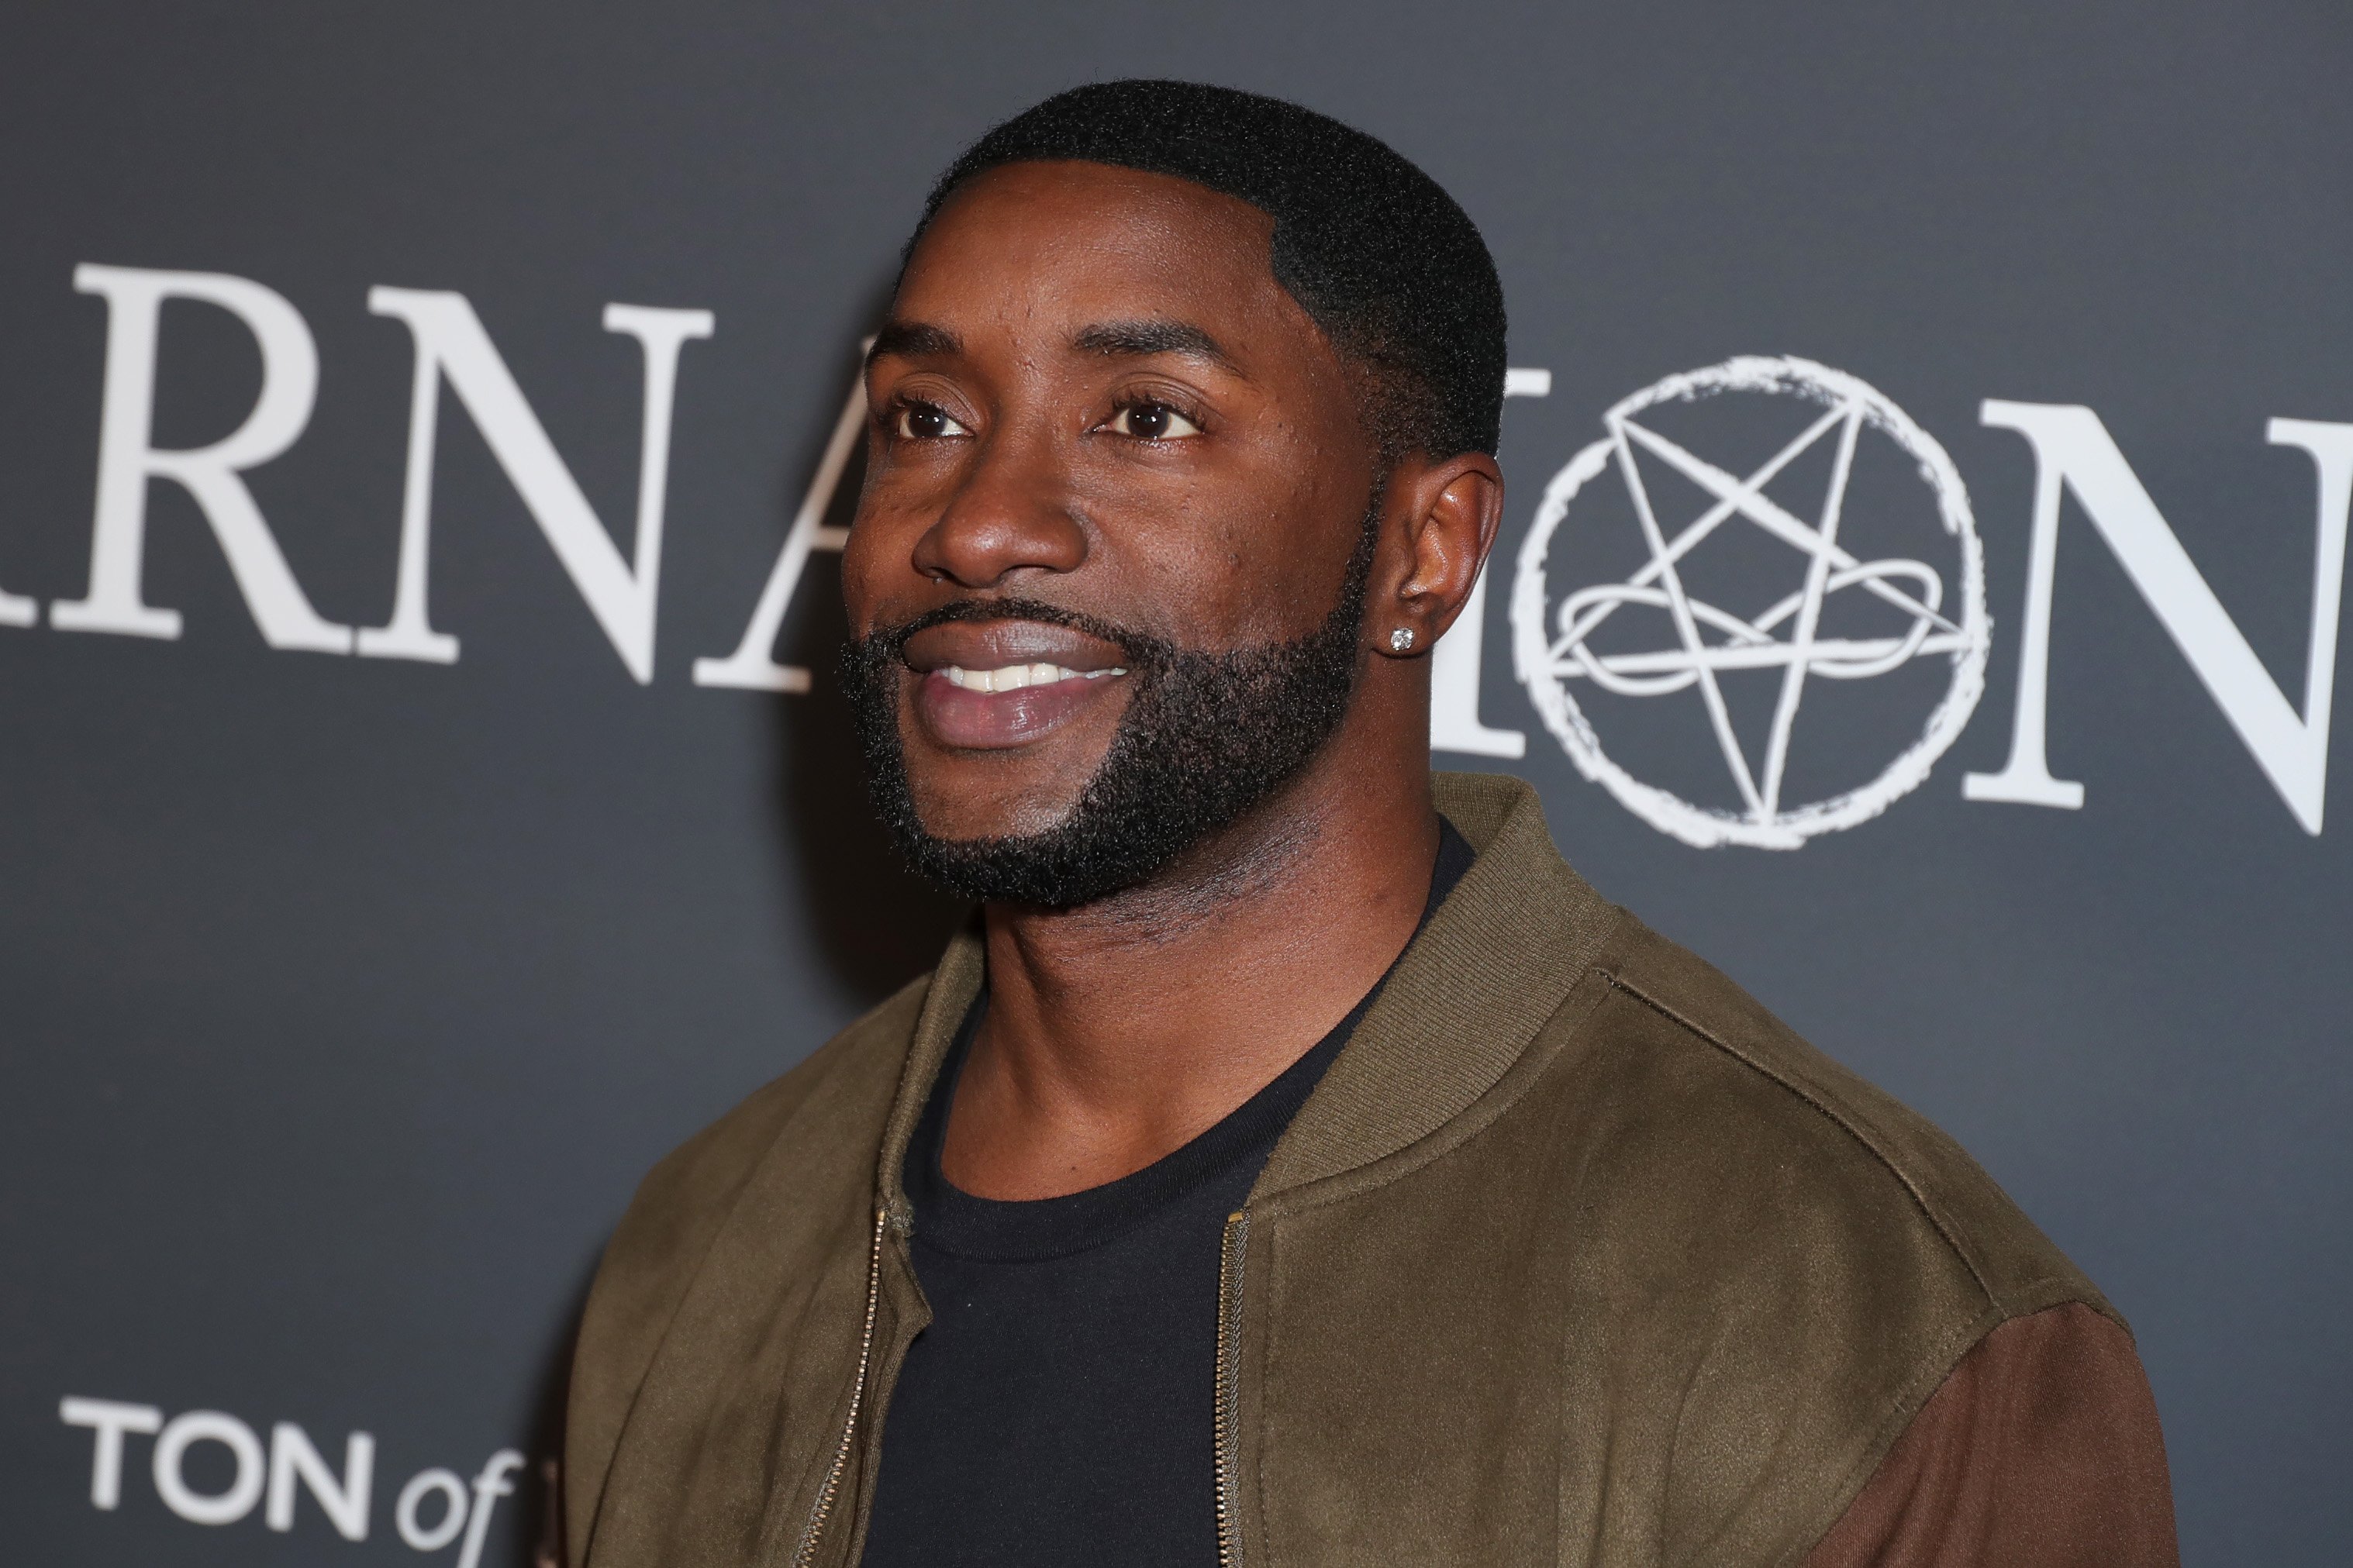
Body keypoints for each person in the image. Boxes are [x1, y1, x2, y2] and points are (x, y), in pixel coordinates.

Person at [561, 81, 2179, 1567]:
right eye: (925, 417)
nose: (980, 521)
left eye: (1144, 417)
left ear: (1427, 549)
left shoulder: (1852, 1323)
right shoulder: (714, 1243)